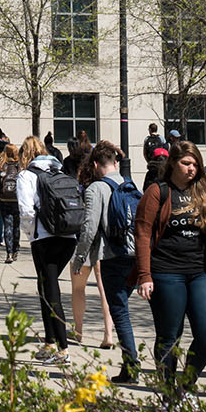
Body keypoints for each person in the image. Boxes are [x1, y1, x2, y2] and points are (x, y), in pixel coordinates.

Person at [135, 141, 206, 391]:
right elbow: (143, 233)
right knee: (169, 336)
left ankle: (185, 384)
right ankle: (168, 392)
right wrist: (144, 276)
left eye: (195, 164)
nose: (192, 169)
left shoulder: (205, 192)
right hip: (165, 273)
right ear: (173, 164)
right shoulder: (158, 191)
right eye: (186, 163)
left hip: (199, 274)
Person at [71, 142, 140, 382]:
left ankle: (131, 366)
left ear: (96, 165)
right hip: (136, 256)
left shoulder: (95, 189)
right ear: (116, 163)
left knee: (119, 311)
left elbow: (89, 227)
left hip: (112, 256)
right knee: (122, 307)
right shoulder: (130, 185)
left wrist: (80, 257)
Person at [18, 135, 77, 365]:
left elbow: (26, 210)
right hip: (68, 236)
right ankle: (50, 341)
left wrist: (30, 233)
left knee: (51, 291)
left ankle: (63, 348)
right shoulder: (59, 171)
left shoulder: (27, 175)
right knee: (44, 286)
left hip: (44, 238)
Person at [69, 141, 117, 351]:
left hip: (88, 241)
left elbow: (87, 222)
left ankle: (78, 330)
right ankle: (108, 333)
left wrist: (80, 254)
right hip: (108, 244)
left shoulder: (87, 185)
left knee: (78, 288)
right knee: (104, 290)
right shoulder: (118, 184)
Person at [0, 138, 29, 263]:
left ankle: (9, 252)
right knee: (16, 226)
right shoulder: (20, 167)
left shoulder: (1, 166)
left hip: (4, 199)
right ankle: (16, 250)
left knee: (7, 224)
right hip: (17, 199)